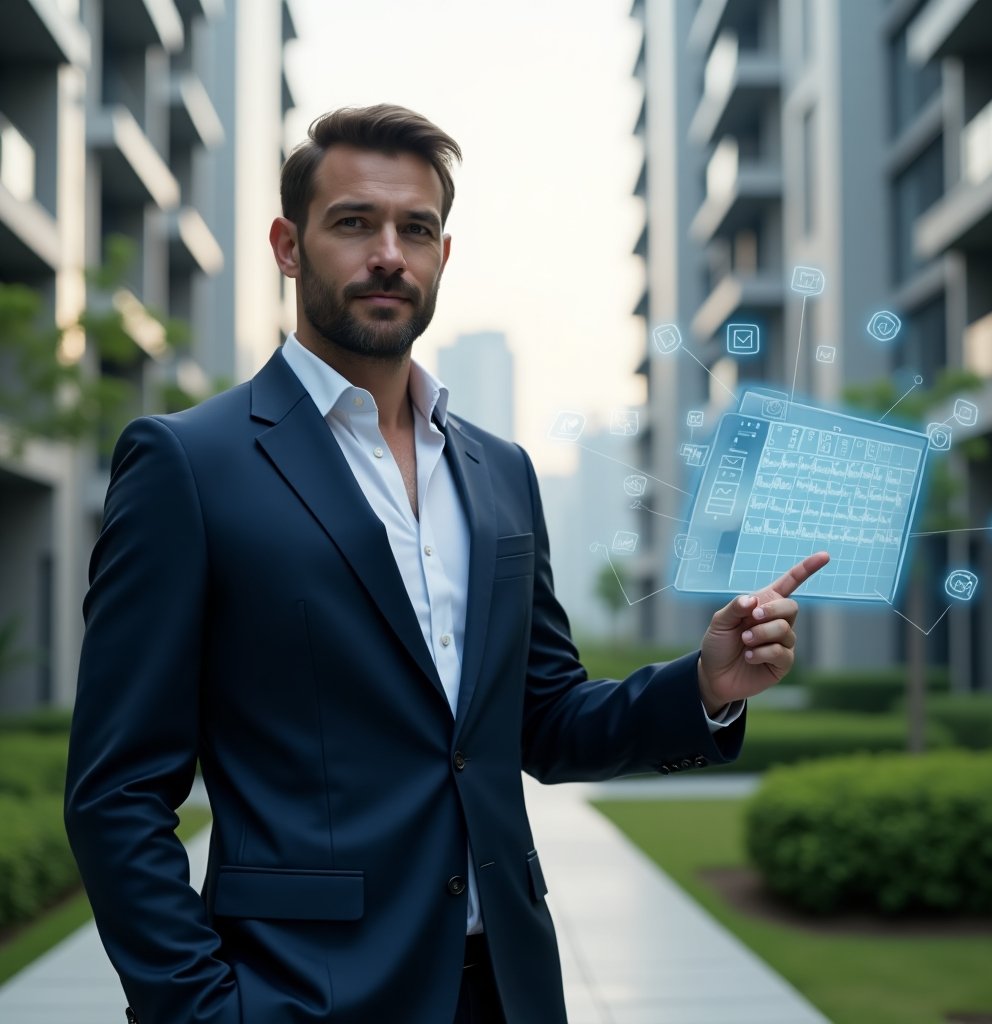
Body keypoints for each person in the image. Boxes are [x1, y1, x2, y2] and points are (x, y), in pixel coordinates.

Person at [64, 103, 829, 1024]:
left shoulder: (498, 472)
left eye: (415, 229)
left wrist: (705, 686)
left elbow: (540, 721)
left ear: (442, 257)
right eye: (354, 223)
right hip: (302, 993)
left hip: (508, 988)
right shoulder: (188, 465)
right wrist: (201, 1011)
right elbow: (116, 794)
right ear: (288, 245)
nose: (389, 253)